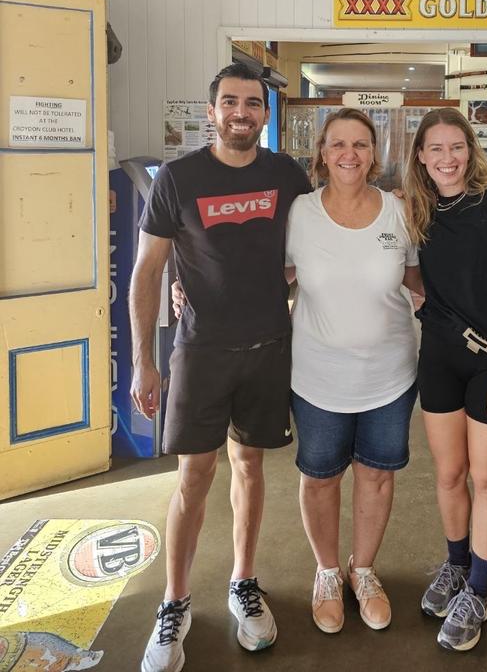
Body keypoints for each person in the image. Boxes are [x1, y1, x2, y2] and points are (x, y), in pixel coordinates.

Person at [129, 61, 310, 672]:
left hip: (267, 349)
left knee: (250, 467)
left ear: (264, 113)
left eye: (252, 104)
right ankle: (174, 603)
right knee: (193, 477)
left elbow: (311, 247)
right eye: (230, 102)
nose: (241, 113)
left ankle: (243, 583)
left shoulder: (287, 174)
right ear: (212, 112)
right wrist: (144, 364)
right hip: (199, 352)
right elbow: (147, 271)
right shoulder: (178, 179)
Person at [403, 107, 487, 652]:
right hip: (439, 356)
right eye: (435, 149)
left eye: (456, 147)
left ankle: (479, 590)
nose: (447, 158)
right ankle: (457, 567)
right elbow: (410, 269)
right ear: (420, 155)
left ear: (471, 148)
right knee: (448, 473)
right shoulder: (418, 208)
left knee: (486, 480)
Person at [285, 108, 421, 635]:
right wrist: (189, 289)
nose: (349, 154)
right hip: (317, 375)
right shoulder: (300, 212)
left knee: (377, 475)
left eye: (360, 144)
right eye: (338, 144)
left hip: (390, 375)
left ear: (374, 154)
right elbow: (266, 273)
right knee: (319, 478)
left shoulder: (399, 211)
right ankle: (326, 573)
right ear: (322, 152)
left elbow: (418, 280)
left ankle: (362, 571)